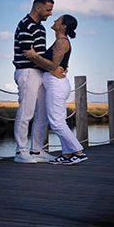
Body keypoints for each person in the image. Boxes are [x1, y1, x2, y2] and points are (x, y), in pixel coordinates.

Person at [25, 14, 87, 164]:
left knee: (57, 123)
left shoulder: (61, 42)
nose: (54, 20)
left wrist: (34, 55)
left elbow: (53, 65)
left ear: (63, 26)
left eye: (58, 20)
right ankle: (66, 154)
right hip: (55, 84)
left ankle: (79, 152)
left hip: (56, 85)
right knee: (60, 122)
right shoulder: (60, 41)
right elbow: (55, 66)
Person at [13, 0, 55, 163]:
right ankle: (21, 151)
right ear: (38, 8)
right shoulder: (25, 25)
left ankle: (37, 150)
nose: (50, 13)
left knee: (43, 112)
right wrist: (52, 67)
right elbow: (29, 54)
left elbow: (39, 54)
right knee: (26, 112)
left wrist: (54, 65)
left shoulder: (40, 28)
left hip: (40, 72)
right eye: (48, 10)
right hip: (27, 71)